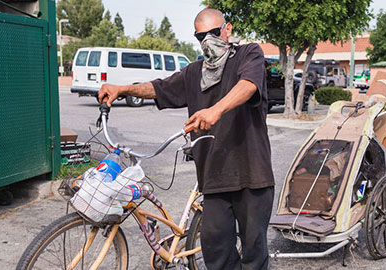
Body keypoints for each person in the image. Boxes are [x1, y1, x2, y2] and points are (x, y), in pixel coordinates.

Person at [98, 8, 274, 270]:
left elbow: (248, 86)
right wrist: (122, 89)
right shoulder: (194, 72)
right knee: (216, 251)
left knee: (253, 253)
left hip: (252, 174)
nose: (208, 41)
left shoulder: (249, 54)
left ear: (227, 30)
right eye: (200, 36)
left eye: (214, 33)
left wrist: (215, 111)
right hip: (214, 177)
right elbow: (159, 88)